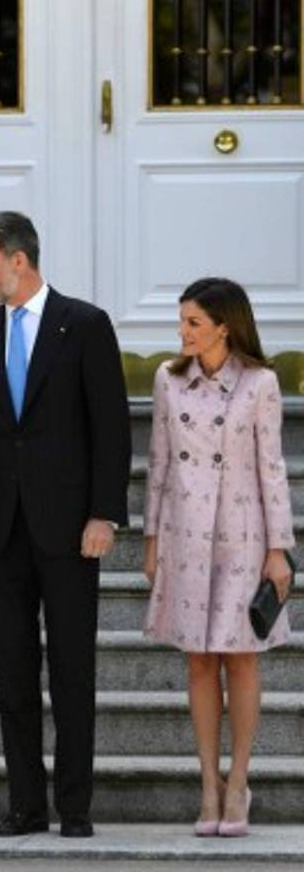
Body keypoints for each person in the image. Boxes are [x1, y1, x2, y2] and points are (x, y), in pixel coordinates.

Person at [0, 211, 131, 838]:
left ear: (18, 260)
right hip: (1, 532)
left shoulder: (85, 324)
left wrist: (104, 513)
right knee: (13, 673)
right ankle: (25, 804)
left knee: (73, 670)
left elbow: (111, 427)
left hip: (72, 528)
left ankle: (74, 806)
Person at [143, 277, 295, 837]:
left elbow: (272, 469)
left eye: (194, 323)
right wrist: (152, 543)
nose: (183, 332)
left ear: (224, 328)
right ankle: (208, 784)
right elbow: (159, 462)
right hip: (184, 534)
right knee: (199, 661)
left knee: (241, 658)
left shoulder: (260, 383)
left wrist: (279, 551)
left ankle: (239, 783)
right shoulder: (168, 378)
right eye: (181, 321)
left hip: (242, 536)